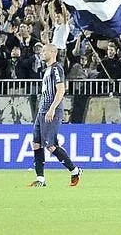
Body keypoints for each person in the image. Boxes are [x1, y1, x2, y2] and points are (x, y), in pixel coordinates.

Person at [29, 41, 81, 188]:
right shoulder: (47, 69)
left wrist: (52, 109)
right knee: (36, 144)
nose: (41, 53)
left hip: (52, 110)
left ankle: (74, 170)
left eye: (44, 51)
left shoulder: (56, 68)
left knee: (50, 145)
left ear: (53, 53)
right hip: (42, 111)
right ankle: (40, 179)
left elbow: (61, 90)